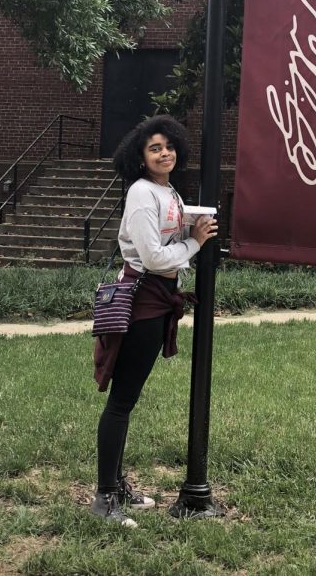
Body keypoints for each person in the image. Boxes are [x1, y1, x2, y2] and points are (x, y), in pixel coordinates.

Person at [90, 115, 217, 527]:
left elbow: (165, 244)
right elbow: (152, 258)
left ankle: (116, 484)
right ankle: (105, 497)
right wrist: (194, 242)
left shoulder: (169, 191)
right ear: (140, 158)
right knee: (122, 400)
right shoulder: (143, 194)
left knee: (128, 398)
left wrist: (187, 231)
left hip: (158, 298)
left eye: (168, 146)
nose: (165, 153)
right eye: (154, 148)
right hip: (141, 299)